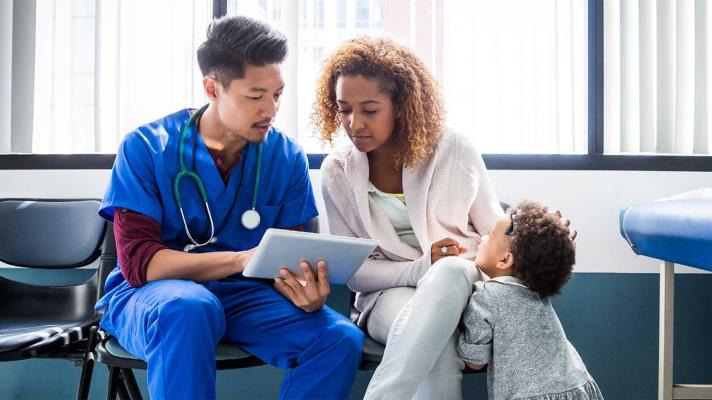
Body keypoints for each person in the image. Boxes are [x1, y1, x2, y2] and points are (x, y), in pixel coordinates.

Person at [95, 15, 363, 400]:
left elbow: (292, 254)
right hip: (154, 297)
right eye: (255, 96)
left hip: (245, 297)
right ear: (213, 88)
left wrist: (308, 290)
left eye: (277, 94)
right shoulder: (146, 147)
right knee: (190, 307)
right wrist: (240, 260)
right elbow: (141, 265)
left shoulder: (285, 156)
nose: (270, 109)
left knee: (339, 338)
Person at [312, 36, 503, 399]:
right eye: (344, 109)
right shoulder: (337, 170)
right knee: (437, 346)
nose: (354, 123)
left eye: (369, 110)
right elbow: (355, 273)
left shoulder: (453, 148)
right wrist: (421, 267)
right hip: (386, 296)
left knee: (450, 270)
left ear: (399, 106)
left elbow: (495, 234)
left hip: (462, 285)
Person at [457, 201, 603, 399]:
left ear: (505, 260)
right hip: (577, 387)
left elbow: (475, 361)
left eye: (489, 235)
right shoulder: (536, 292)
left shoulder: (487, 295)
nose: (480, 239)